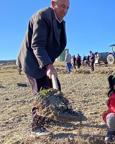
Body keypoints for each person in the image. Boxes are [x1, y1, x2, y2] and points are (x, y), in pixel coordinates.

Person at [16, 0, 70, 136]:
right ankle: (37, 127)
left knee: (54, 88)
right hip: (31, 61)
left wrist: (49, 64)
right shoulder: (42, 16)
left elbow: (59, 44)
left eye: (67, 8)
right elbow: (37, 45)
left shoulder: (60, 22)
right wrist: (48, 65)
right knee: (41, 93)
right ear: (53, 4)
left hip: (44, 60)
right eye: (62, 6)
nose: (65, 10)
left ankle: (52, 115)